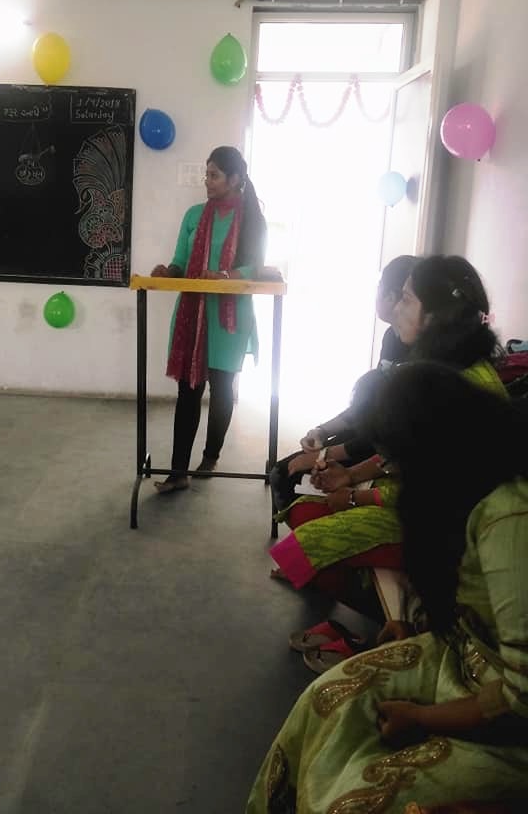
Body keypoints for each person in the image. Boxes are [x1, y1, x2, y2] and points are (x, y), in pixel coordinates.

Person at [246, 362, 528, 813]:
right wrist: (418, 626)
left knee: (352, 801)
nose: (393, 471)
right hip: (461, 656)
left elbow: (520, 697)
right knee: (322, 701)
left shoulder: (508, 518)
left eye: (398, 462)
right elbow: (474, 603)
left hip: (507, 721)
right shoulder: (462, 478)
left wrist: (423, 717)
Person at [269, 256, 507, 606]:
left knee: (303, 543)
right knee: (304, 514)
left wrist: (354, 496)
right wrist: (349, 475)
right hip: (428, 505)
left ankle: (403, 617)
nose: (396, 309)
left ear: (435, 317)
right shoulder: (442, 367)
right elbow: (404, 454)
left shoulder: (455, 388)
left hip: (455, 530)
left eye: (406, 299)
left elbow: (436, 492)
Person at [150, 146, 269, 493]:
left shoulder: (251, 218)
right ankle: (178, 473)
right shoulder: (193, 215)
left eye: (214, 175)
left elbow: (254, 267)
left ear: (234, 178)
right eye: (207, 174)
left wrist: (225, 276)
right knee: (188, 391)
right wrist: (168, 271)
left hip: (230, 318)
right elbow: (180, 260)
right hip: (193, 314)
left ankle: (211, 455)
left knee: (221, 388)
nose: (207, 180)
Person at [270, 255, 419, 513]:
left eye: (406, 299)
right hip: (371, 437)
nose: (398, 307)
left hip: (381, 448)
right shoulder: (392, 337)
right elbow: (368, 407)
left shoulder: (423, 360)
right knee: (284, 473)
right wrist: (322, 431)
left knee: (289, 476)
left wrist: (325, 456)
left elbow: (389, 438)